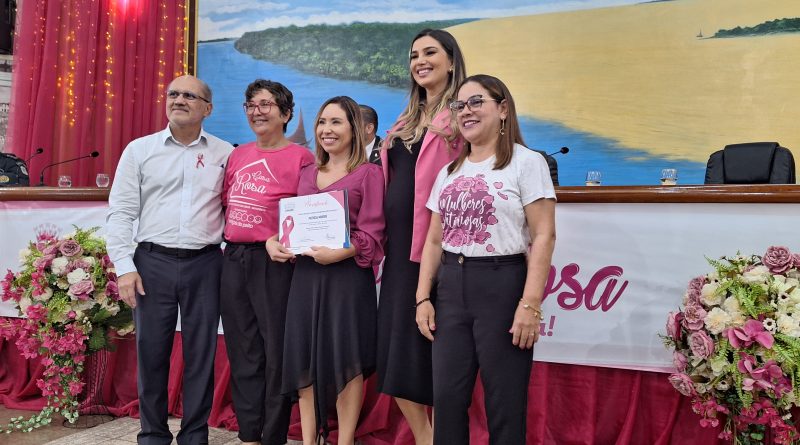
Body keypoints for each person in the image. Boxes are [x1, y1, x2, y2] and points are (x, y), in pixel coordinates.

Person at [415, 74, 556, 444]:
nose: (466, 111)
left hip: (502, 286)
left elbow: (544, 235)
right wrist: (422, 297)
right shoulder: (448, 172)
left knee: (504, 404)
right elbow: (433, 240)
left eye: (476, 102)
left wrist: (530, 304)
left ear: (503, 109)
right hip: (451, 286)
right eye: (459, 105)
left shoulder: (527, 163)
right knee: (446, 400)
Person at [106, 75, 233, 445]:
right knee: (151, 353)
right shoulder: (139, 150)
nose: (179, 100)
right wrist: (125, 268)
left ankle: (194, 435)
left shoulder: (226, 154)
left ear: (207, 108)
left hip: (206, 264)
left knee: (201, 354)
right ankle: (153, 435)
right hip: (151, 263)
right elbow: (121, 212)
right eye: (173, 93)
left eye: (189, 96)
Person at [270, 96, 385, 445]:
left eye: (336, 122)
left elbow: (374, 234)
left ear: (354, 128)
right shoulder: (306, 173)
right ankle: (308, 440)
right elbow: (291, 225)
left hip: (347, 281)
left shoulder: (370, 174)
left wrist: (342, 253)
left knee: (346, 362)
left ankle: (345, 440)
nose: (326, 130)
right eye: (322, 122)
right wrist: (275, 243)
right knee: (304, 362)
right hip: (305, 279)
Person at [376, 28, 466, 444]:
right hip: (397, 254)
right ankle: (426, 437)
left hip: (438, 251)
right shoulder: (405, 117)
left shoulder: (463, 114)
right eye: (414, 55)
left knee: (436, 356)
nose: (420, 61)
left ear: (451, 59)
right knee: (395, 357)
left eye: (430, 52)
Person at [220, 79, 314, 445]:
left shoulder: (301, 157)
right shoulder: (237, 155)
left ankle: (273, 433)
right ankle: (249, 433)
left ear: (286, 114)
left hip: (274, 262)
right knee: (242, 349)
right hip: (234, 258)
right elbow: (228, 203)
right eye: (250, 105)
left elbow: (307, 215)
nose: (257, 111)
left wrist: (280, 241)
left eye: (266, 104)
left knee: (275, 350)